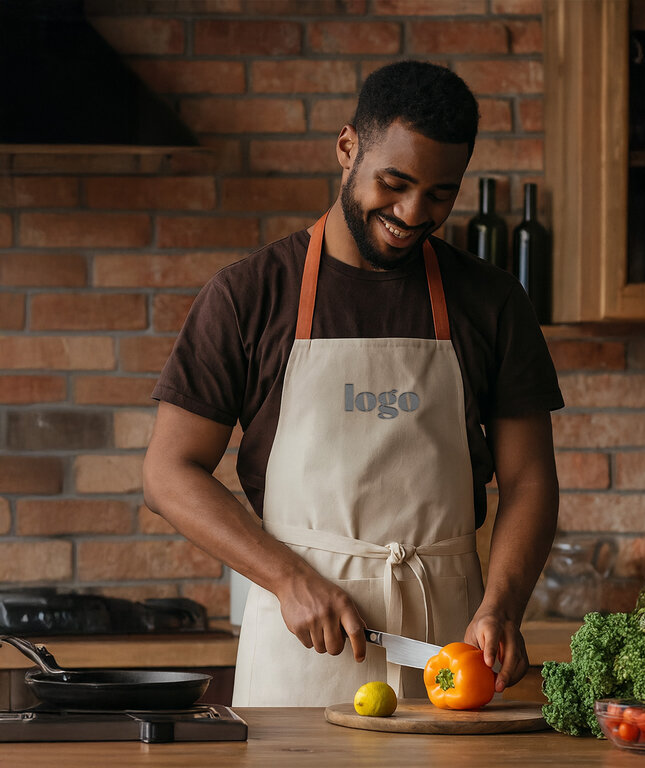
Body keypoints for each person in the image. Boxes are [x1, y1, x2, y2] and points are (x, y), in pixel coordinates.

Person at [143, 60, 563, 707]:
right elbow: (167, 472)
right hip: (301, 646)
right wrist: (287, 578)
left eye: (440, 194)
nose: (412, 213)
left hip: (450, 652)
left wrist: (502, 606)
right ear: (347, 148)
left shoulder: (492, 301)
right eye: (394, 183)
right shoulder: (249, 295)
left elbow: (529, 479)